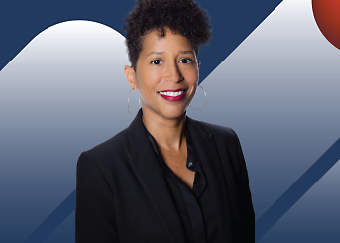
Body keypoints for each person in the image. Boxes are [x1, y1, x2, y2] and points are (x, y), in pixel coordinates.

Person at [75, 0, 255, 242]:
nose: (174, 75)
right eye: (157, 61)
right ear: (132, 76)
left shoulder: (227, 145)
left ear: (198, 67)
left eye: (184, 60)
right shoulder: (101, 167)